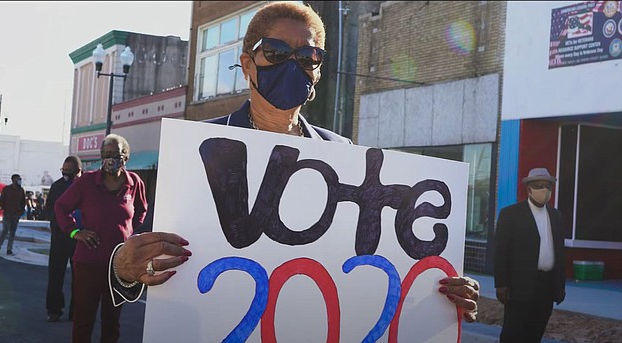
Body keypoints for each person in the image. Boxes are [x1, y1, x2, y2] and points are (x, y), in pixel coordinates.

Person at [106, 1, 481, 323]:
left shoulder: (343, 153)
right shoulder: (196, 149)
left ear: (316, 72)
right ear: (248, 63)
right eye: (275, 52)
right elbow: (147, 261)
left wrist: (438, 294)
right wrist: (124, 269)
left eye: (307, 57)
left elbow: (362, 270)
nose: (292, 65)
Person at [55, 134, 147, 342]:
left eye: (115, 154)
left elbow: (141, 212)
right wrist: (75, 232)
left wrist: (127, 234)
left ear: (126, 157)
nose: (110, 159)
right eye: (105, 154)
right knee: (83, 321)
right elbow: (61, 207)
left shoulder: (135, 183)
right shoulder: (86, 182)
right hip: (88, 264)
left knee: (112, 323)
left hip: (119, 266)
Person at [494, 167, 566, 342]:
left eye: (548, 186)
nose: (544, 190)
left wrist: (560, 286)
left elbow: (560, 252)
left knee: (536, 331)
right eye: (539, 185)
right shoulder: (511, 214)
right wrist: (501, 284)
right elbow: (501, 250)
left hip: (546, 285)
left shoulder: (556, 216)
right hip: (519, 286)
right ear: (529, 189)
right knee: (513, 332)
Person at [45, 156, 81, 322]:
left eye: (69, 172)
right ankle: (54, 310)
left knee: (80, 278)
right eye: (63, 171)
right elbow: (49, 210)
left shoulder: (86, 187)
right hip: (60, 237)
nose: (65, 175)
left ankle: (76, 311)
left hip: (80, 239)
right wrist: (58, 224)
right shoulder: (57, 186)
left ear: (78, 171)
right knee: (55, 275)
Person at [0, 174, 25, 256]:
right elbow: (1, 201)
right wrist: (5, 209)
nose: (19, 181)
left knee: (12, 232)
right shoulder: (6, 189)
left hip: (16, 214)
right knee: (5, 230)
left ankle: (9, 249)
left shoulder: (21, 190)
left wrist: (20, 211)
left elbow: (23, 202)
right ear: (14, 180)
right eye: (18, 179)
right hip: (7, 213)